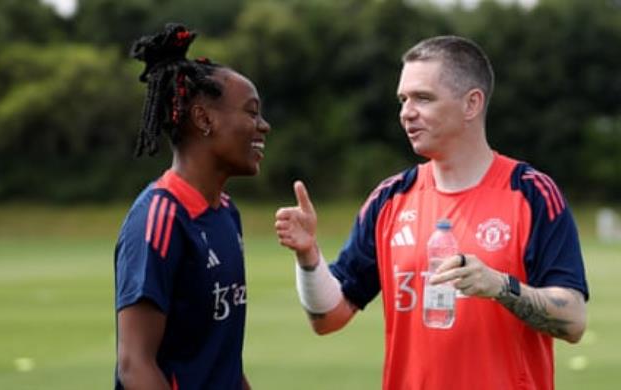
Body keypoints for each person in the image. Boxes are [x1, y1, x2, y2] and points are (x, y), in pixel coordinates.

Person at [275, 35, 588, 390]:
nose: (406, 112)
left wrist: (501, 287)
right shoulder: (390, 198)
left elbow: (574, 320)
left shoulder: (531, 192)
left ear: (472, 104)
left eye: (423, 98)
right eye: (403, 99)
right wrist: (308, 257)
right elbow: (329, 318)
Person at [114, 23, 269, 390]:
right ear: (204, 119)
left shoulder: (227, 214)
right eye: (251, 112)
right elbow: (135, 365)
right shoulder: (159, 218)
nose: (264, 125)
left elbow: (223, 362)